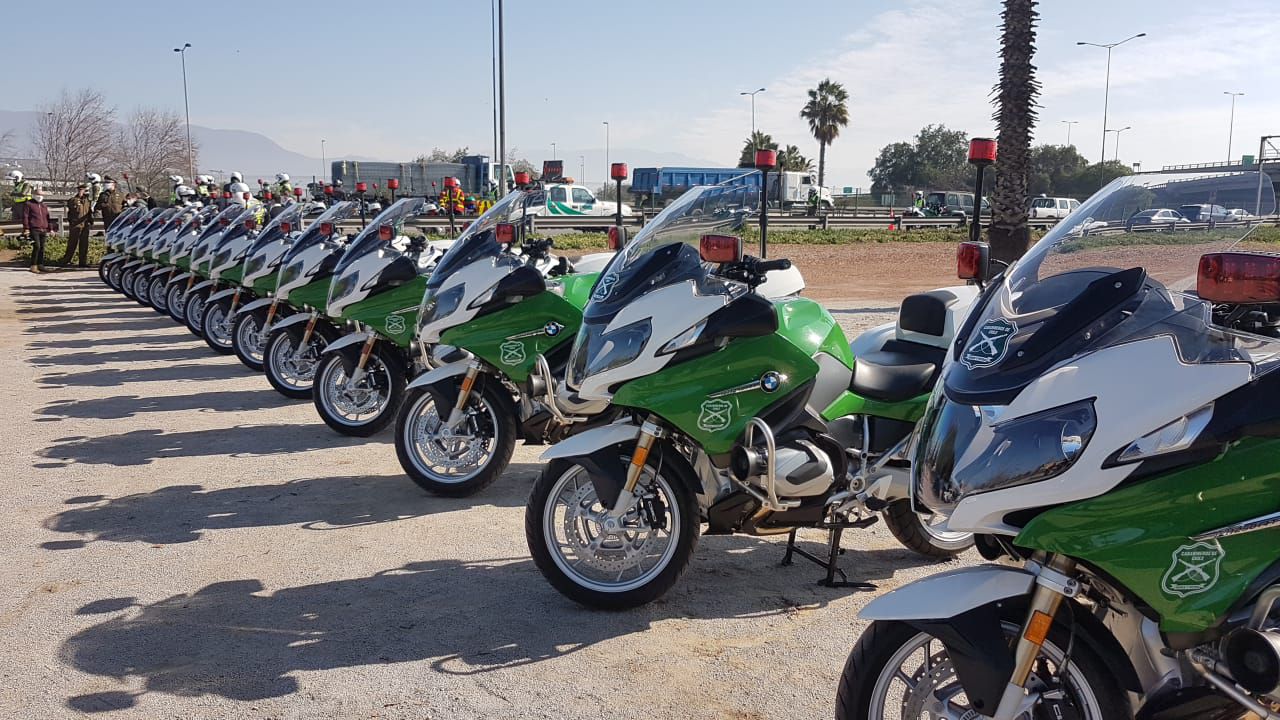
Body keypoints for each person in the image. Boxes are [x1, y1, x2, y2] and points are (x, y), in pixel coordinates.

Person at [61, 183, 94, 267]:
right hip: (75, 225)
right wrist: (80, 197)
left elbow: (89, 212)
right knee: (72, 243)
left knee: (84, 244)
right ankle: (66, 261)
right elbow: (71, 206)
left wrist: (91, 221)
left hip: (85, 225)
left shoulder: (88, 201)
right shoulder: (74, 200)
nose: (86, 192)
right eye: (84, 190)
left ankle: (82, 262)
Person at [23, 189, 51, 273]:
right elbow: (25, 217)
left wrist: (50, 228)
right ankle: (33, 265)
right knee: (37, 246)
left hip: (43, 228)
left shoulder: (44, 205)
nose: (40, 196)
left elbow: (47, 217)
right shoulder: (29, 204)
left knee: (42, 247)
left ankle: (40, 264)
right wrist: (26, 228)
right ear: (34, 195)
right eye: (38, 194)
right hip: (34, 228)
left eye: (41, 195)